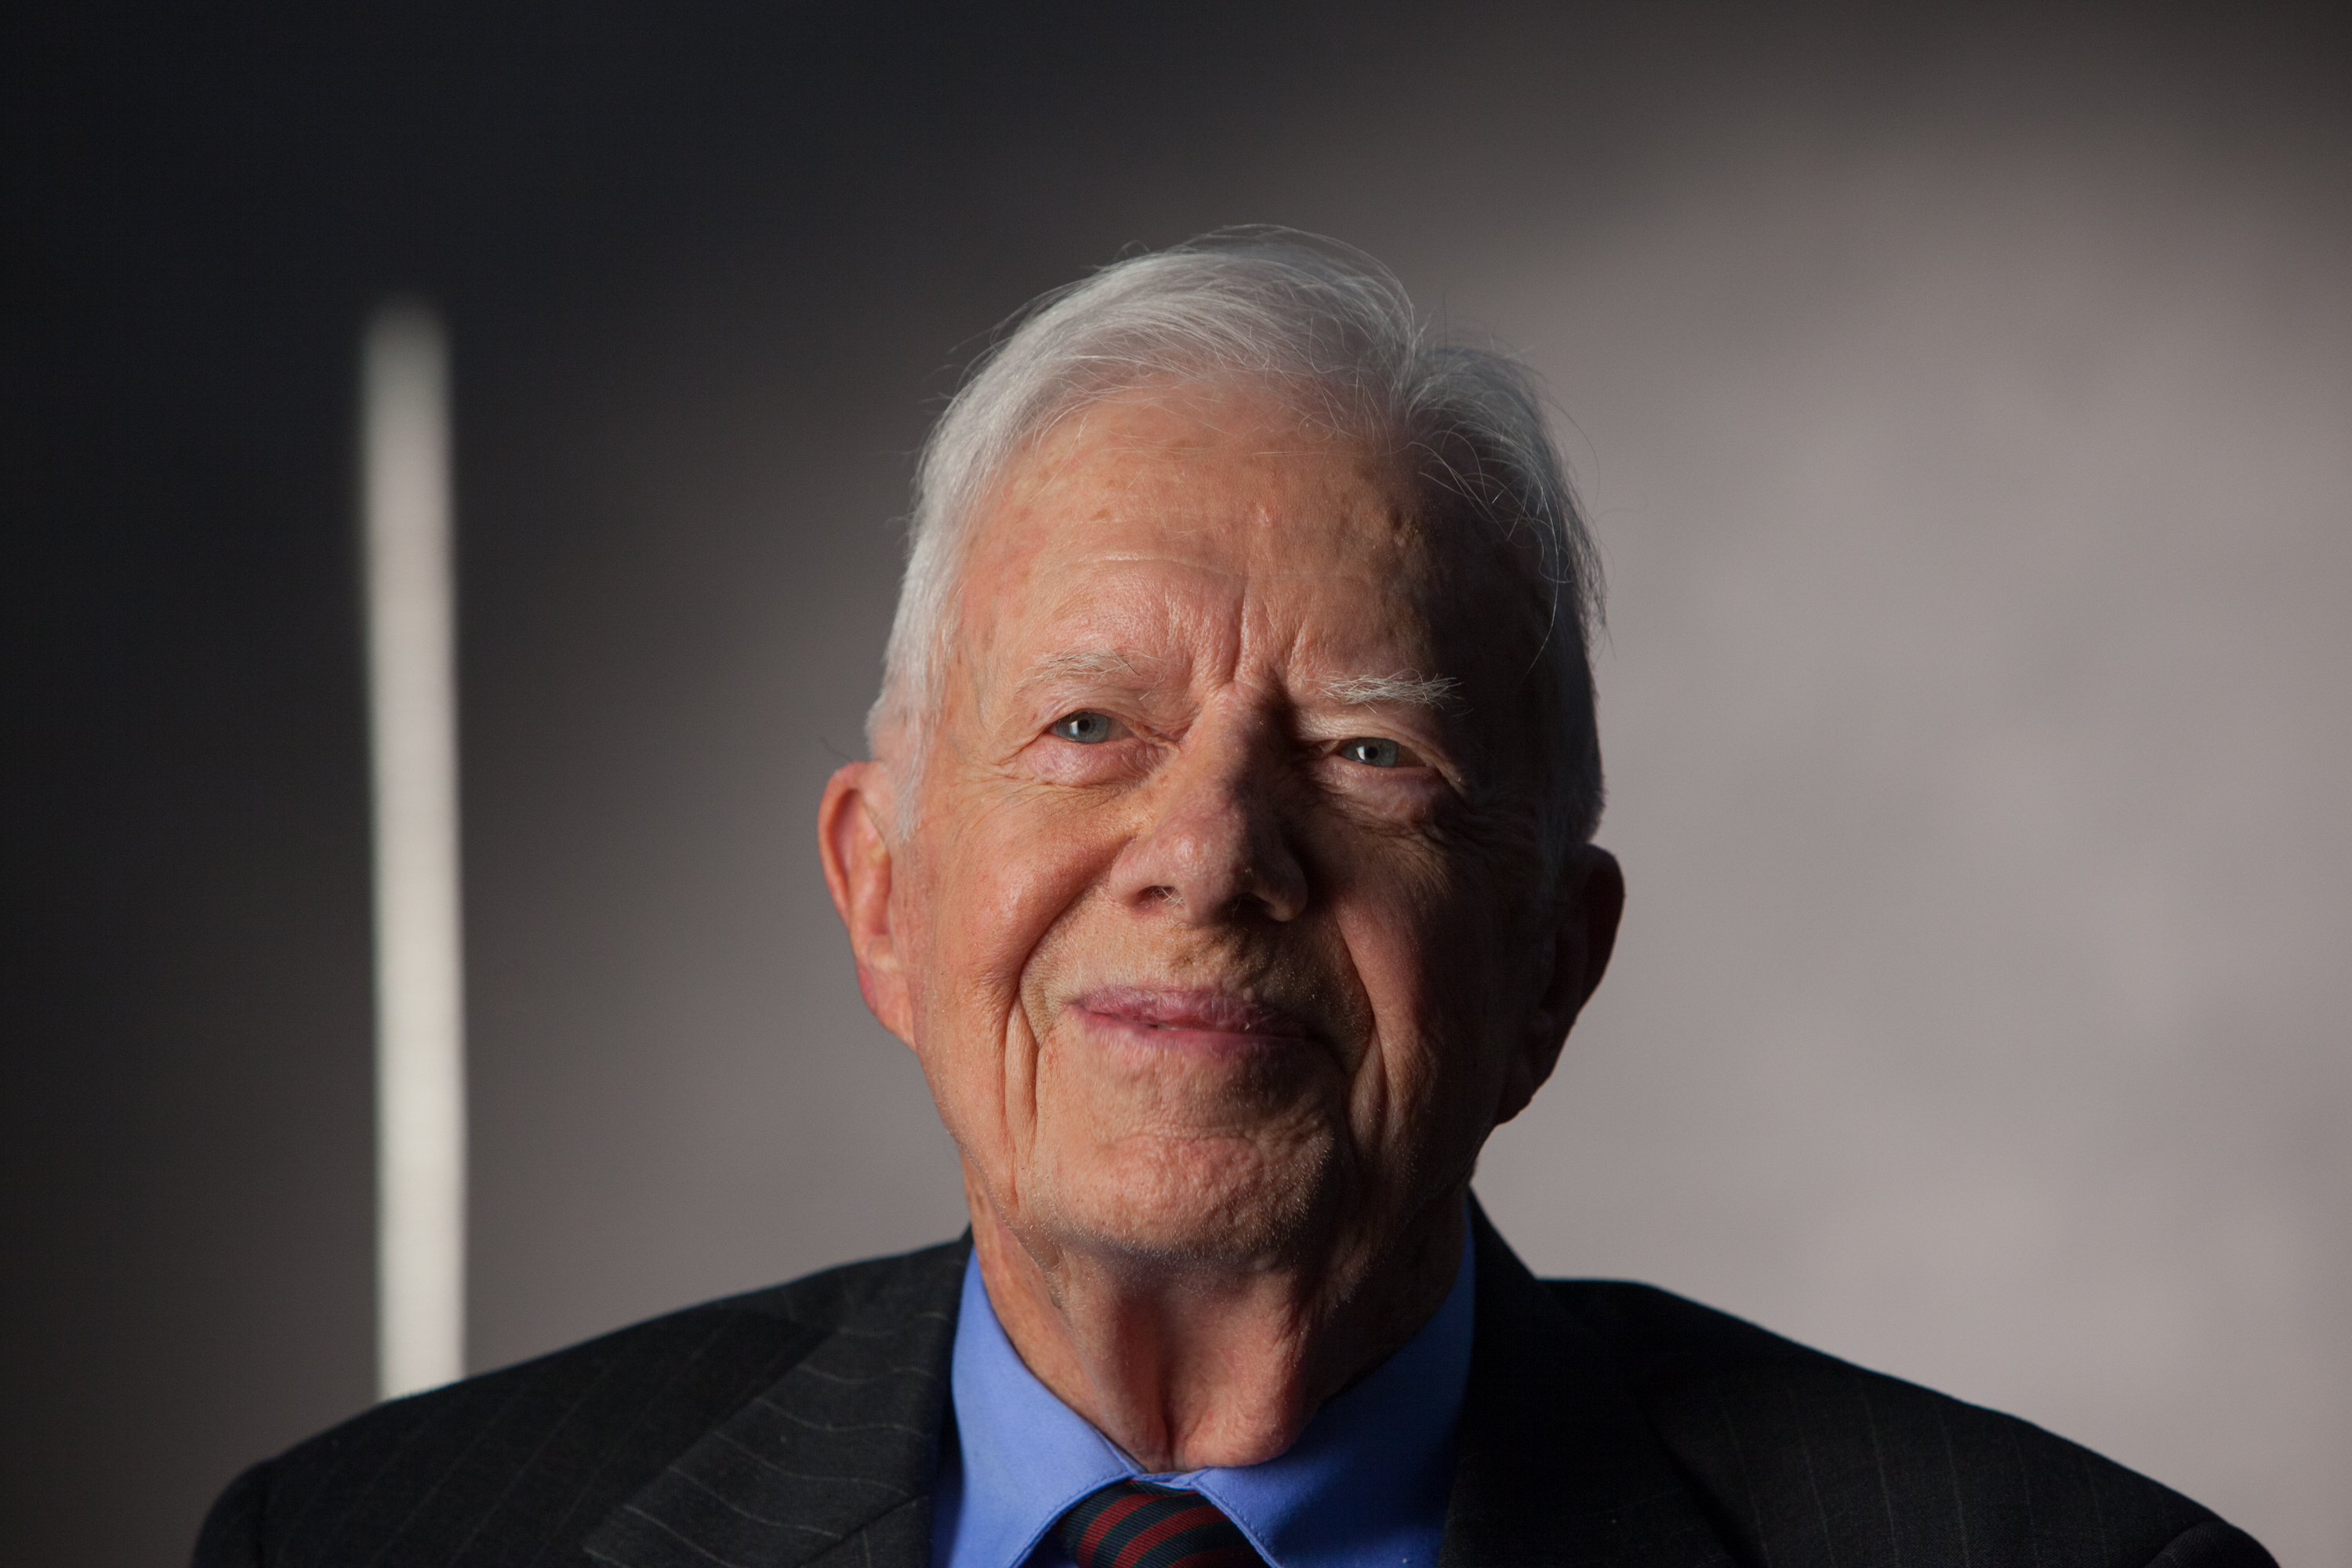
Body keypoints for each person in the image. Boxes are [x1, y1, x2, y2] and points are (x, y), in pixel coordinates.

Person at [194, 232, 2274, 1568]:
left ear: (1552, 967)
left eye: (1372, 755)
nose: (1210, 853)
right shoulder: (369, 1540)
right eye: (1091, 726)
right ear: (883, 892)